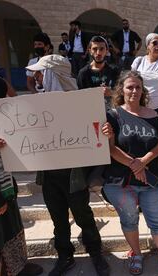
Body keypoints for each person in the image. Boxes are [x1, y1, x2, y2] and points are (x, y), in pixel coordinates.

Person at [102, 70, 158, 276]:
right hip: (121, 182)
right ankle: (136, 254)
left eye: (138, 87)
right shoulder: (113, 115)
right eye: (129, 87)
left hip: (151, 181)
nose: (134, 90)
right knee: (129, 220)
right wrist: (135, 165)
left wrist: (143, 162)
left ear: (143, 91)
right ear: (121, 90)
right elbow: (110, 147)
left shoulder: (153, 115)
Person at [26, 55, 110, 276]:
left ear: (54, 75)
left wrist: (103, 131)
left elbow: (98, 137)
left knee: (83, 216)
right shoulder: (34, 106)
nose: (36, 76)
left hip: (74, 176)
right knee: (58, 219)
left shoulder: (84, 104)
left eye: (40, 72)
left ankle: (96, 253)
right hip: (49, 176)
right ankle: (65, 256)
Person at [0, 73, 42, 276]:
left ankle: (17, 267)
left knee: (8, 229)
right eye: (1, 93)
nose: (5, 97)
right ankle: (11, 270)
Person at [131, 33, 158, 129]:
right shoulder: (138, 62)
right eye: (154, 43)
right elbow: (131, 84)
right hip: (141, 107)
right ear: (148, 46)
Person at [77, 36, 120, 109]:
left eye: (101, 49)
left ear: (107, 51)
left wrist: (111, 93)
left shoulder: (114, 70)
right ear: (90, 51)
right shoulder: (83, 73)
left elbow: (122, 94)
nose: (98, 53)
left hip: (112, 113)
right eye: (94, 49)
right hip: (91, 111)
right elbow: (80, 99)